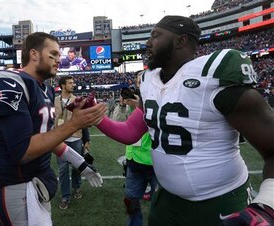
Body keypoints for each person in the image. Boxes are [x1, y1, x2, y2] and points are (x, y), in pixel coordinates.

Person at [96, 15, 274, 226]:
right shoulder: (148, 81)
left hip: (221, 200)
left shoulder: (212, 75)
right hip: (167, 200)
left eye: (156, 35)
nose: (148, 42)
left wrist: (267, 205)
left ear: (181, 41)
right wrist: (93, 116)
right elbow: (130, 132)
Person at [0, 32, 106, 225]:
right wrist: (74, 123)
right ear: (34, 54)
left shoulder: (44, 88)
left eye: (59, 55)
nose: (58, 59)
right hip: (15, 185)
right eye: (53, 54)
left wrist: (80, 164)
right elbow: (23, 151)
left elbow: (47, 138)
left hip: (39, 179)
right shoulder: (9, 81)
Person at [114, 71, 158, 226]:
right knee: (131, 200)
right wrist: (122, 105)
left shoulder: (158, 99)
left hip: (155, 162)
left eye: (142, 80)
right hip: (133, 160)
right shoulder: (133, 102)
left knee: (160, 204)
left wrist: (142, 108)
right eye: (138, 81)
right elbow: (117, 123)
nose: (140, 84)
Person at [54, 76, 91, 209]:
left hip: (76, 138)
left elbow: (84, 121)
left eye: (73, 82)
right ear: (63, 86)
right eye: (70, 83)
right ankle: (65, 196)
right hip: (60, 141)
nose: (73, 85)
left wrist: (87, 140)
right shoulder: (54, 101)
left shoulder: (78, 101)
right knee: (63, 170)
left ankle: (77, 187)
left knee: (77, 167)